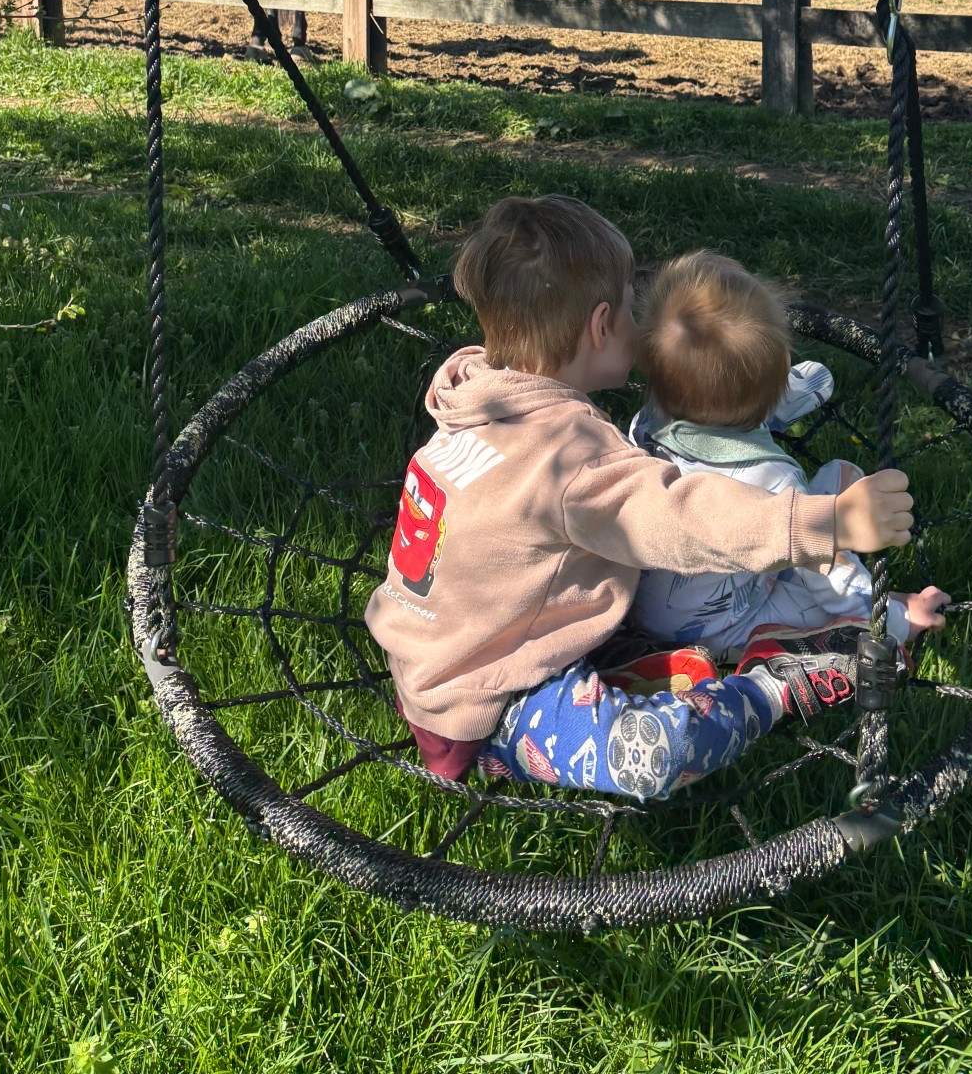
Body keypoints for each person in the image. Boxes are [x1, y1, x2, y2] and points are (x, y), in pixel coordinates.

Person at [364, 195, 918, 801]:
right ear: (602, 325)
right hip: (495, 697)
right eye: (633, 307)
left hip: (421, 664)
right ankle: (775, 682)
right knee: (654, 757)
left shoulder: (472, 397)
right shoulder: (569, 459)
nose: (643, 327)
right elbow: (680, 519)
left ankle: (625, 663)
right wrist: (825, 523)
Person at [629, 251, 950, 657]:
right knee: (841, 481)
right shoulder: (771, 480)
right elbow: (819, 565)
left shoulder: (649, 420)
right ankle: (876, 611)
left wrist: (787, 384)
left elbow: (725, 410)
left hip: (641, 610)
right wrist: (896, 622)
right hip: (724, 631)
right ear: (779, 373)